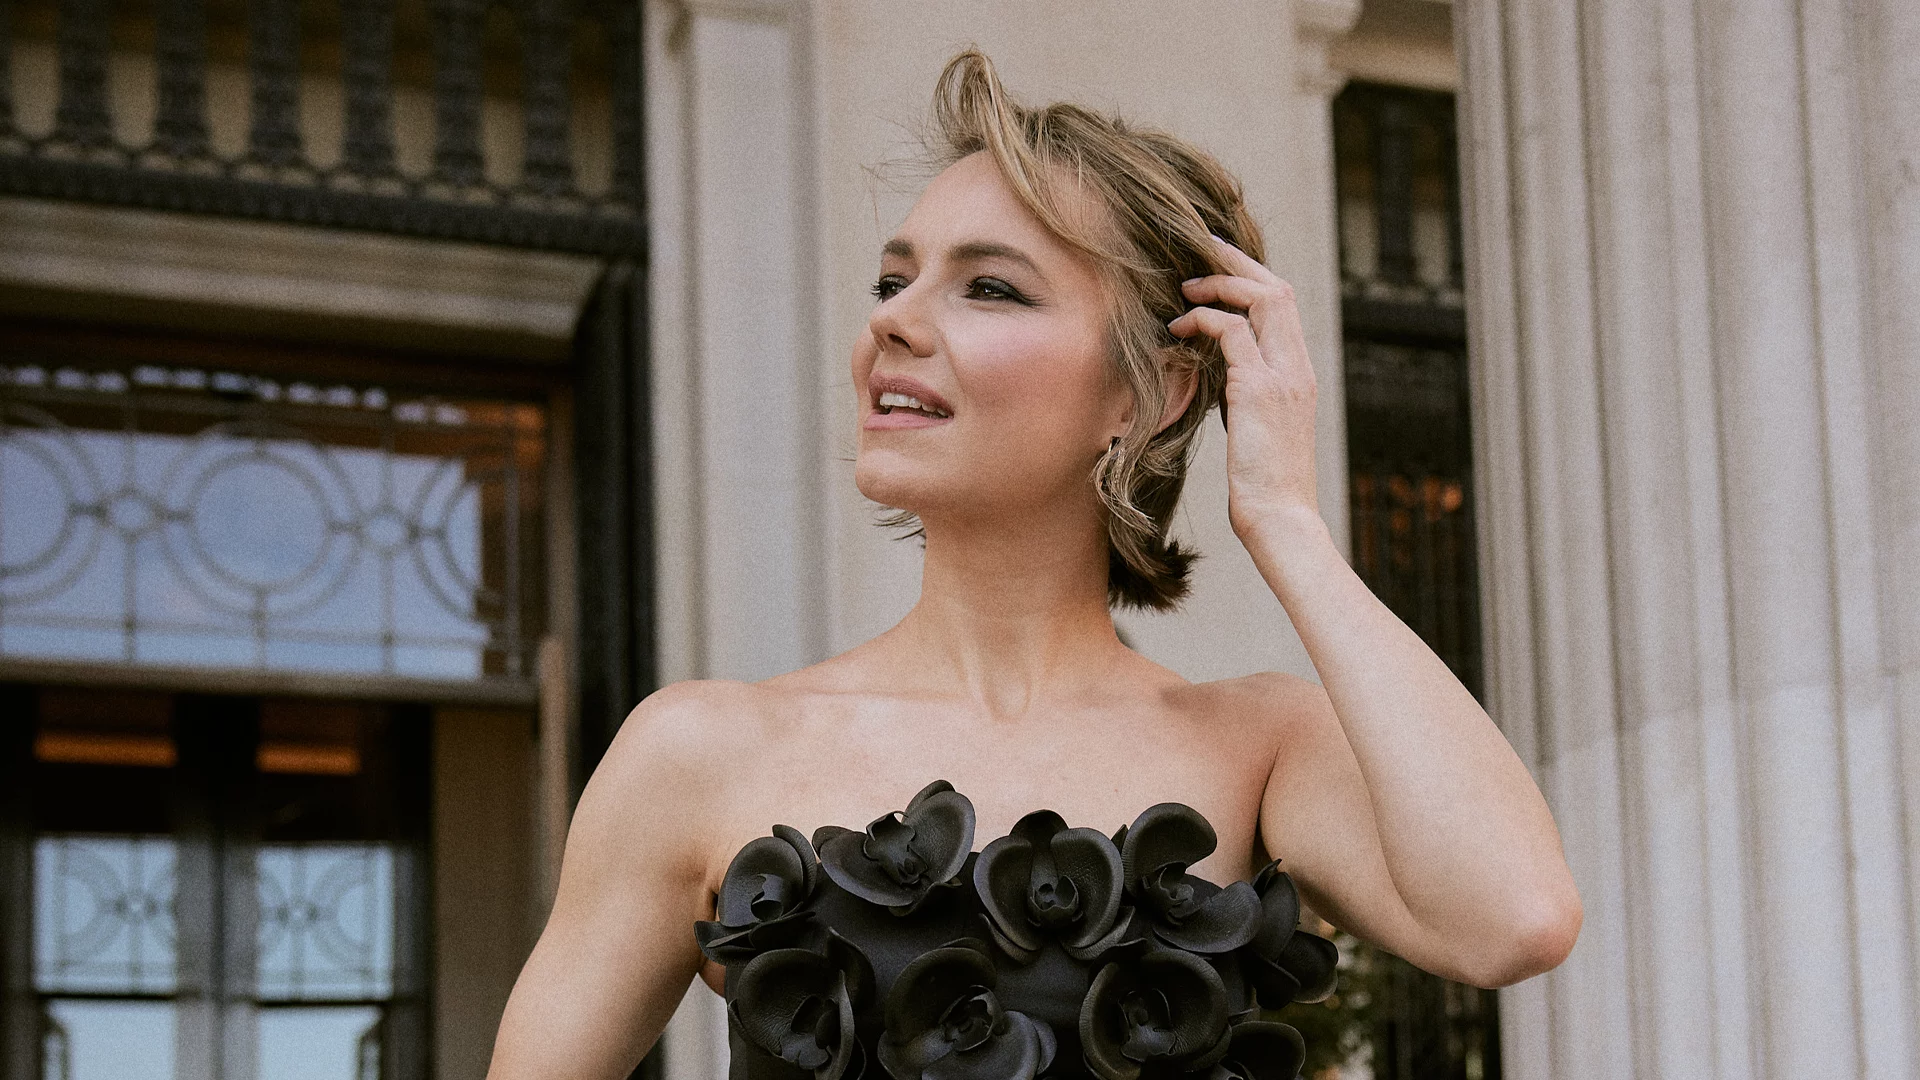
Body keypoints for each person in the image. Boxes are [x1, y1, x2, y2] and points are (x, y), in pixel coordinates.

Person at [488, 50, 1580, 1080]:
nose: (893, 323)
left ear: (1150, 395)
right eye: (891, 281)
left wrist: (1287, 520)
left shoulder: (1260, 744)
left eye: (990, 288)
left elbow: (1514, 919)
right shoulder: (698, 751)